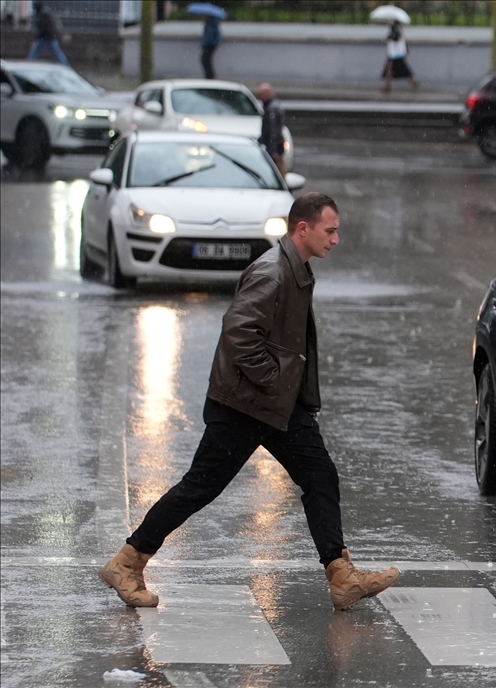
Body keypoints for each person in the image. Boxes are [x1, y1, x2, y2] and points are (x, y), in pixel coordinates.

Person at [99, 193, 401, 611]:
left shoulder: (295, 268)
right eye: (330, 230)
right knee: (200, 487)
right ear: (303, 228)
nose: (336, 239)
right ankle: (127, 561)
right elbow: (239, 335)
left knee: (319, 476)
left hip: (276, 405)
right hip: (244, 405)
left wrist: (284, 390)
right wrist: (275, 380)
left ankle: (341, 576)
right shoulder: (272, 272)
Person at [257, 82, 286, 176]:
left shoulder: (271, 109)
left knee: (275, 170)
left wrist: (273, 149)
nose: (259, 97)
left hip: (273, 146)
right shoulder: (273, 106)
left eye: (261, 94)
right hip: (274, 144)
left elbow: (273, 130)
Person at [381, 19, 418, 93]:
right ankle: (387, 86)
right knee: (398, 69)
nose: (389, 21)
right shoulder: (396, 29)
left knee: (391, 69)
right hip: (395, 53)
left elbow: (396, 38)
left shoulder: (396, 29)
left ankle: (387, 86)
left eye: (391, 20)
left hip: (395, 53)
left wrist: (389, 37)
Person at [26, 2, 68, 66]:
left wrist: (38, 35)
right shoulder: (46, 13)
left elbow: (43, 27)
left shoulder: (43, 14)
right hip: (49, 36)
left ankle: (29, 63)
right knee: (57, 52)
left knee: (36, 51)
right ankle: (65, 64)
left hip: (45, 36)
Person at [201, 15, 221, 79]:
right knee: (206, 60)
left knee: (205, 60)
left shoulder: (211, 24)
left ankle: (209, 76)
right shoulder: (212, 23)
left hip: (210, 45)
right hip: (210, 44)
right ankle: (209, 75)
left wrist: (205, 44)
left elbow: (209, 36)